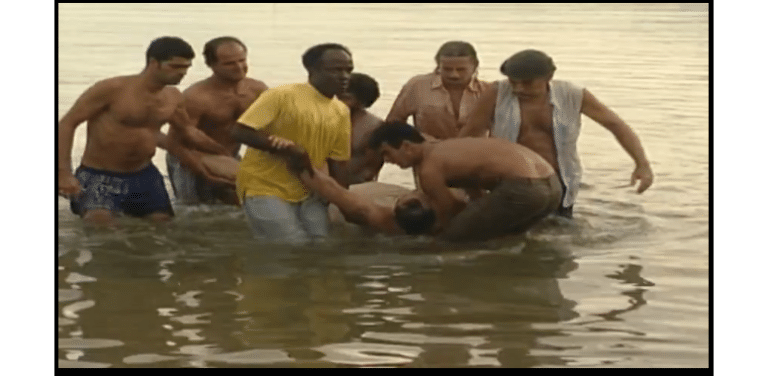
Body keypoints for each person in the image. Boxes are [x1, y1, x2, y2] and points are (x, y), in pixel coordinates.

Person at [280, 121, 561, 242]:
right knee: (509, 236)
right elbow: (474, 192)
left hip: (523, 189)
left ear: (406, 146)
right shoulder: (450, 147)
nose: (389, 162)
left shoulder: (430, 168)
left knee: (452, 241)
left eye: (388, 155)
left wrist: (437, 235)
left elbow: (447, 212)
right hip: (552, 185)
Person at [458, 49, 654, 218]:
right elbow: (470, 136)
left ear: (548, 77)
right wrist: (466, 185)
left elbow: (615, 124)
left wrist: (642, 164)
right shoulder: (498, 92)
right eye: (514, 82)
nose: (518, 89)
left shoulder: (573, 94)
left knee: (558, 240)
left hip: (562, 181)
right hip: (509, 182)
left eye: (527, 83)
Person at [57, 36, 229, 226]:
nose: (182, 73)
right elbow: (67, 124)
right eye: (175, 67)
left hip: (144, 174)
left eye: (186, 68)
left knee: (163, 227)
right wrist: (63, 173)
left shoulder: (173, 97)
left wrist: (222, 153)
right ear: (154, 63)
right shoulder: (113, 88)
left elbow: (188, 131)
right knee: (100, 228)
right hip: (100, 174)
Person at [230, 43, 353, 242]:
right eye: (336, 70)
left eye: (349, 70)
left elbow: (338, 161)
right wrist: (290, 149)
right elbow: (240, 131)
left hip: (309, 188)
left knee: (322, 244)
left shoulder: (341, 111)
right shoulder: (281, 95)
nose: (344, 76)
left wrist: (342, 201)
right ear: (312, 70)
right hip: (264, 186)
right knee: (291, 245)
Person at [165, 36, 268, 205]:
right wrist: (202, 172)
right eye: (229, 64)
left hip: (230, 156)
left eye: (242, 60)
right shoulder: (196, 97)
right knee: (194, 213)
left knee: (243, 203)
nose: (239, 67)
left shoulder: (257, 90)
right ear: (211, 65)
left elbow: (274, 129)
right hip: (191, 157)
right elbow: (174, 143)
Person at [386, 40, 491, 140]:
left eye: (461, 69)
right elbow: (393, 122)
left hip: (476, 154)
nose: (454, 75)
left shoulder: (488, 91)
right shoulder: (417, 86)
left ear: (475, 66)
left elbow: (500, 129)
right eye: (447, 69)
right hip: (427, 153)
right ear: (438, 66)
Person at [337, 72, 385, 185]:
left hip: (355, 187)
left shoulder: (374, 127)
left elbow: (371, 169)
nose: (337, 100)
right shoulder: (326, 119)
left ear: (361, 102)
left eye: (346, 97)